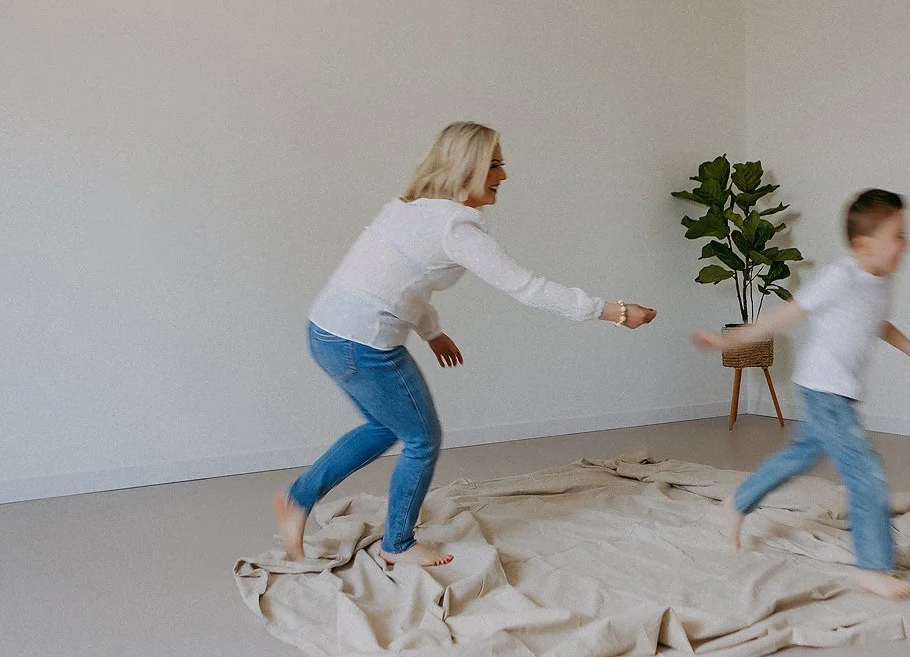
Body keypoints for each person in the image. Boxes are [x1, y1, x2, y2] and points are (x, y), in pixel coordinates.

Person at [274, 121, 656, 567]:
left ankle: (297, 499)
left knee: (386, 427)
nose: (504, 176)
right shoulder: (455, 229)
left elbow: (400, 281)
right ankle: (396, 544)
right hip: (361, 343)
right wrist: (617, 312)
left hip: (326, 331)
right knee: (422, 438)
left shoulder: (410, 207)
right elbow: (528, 288)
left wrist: (433, 333)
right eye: (494, 165)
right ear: (466, 168)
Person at [693, 188, 910, 600]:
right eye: (898, 235)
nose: (906, 243)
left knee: (800, 455)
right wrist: (732, 341)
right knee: (865, 474)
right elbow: (788, 313)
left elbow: (879, 323)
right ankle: (872, 567)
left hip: (836, 390)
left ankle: (737, 503)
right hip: (825, 391)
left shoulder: (881, 283)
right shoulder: (841, 277)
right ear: (864, 244)